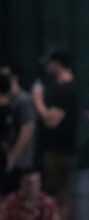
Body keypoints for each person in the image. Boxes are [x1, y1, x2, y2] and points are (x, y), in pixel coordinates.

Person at [32, 50, 78, 220]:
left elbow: (51, 120)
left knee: (60, 197)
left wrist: (37, 100)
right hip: (56, 151)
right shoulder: (61, 88)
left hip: (60, 153)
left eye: (50, 63)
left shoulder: (65, 90)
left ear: (57, 63)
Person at [0, 65, 36, 196]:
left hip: (19, 163)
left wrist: (11, 159)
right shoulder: (7, 101)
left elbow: (27, 131)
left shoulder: (22, 101)